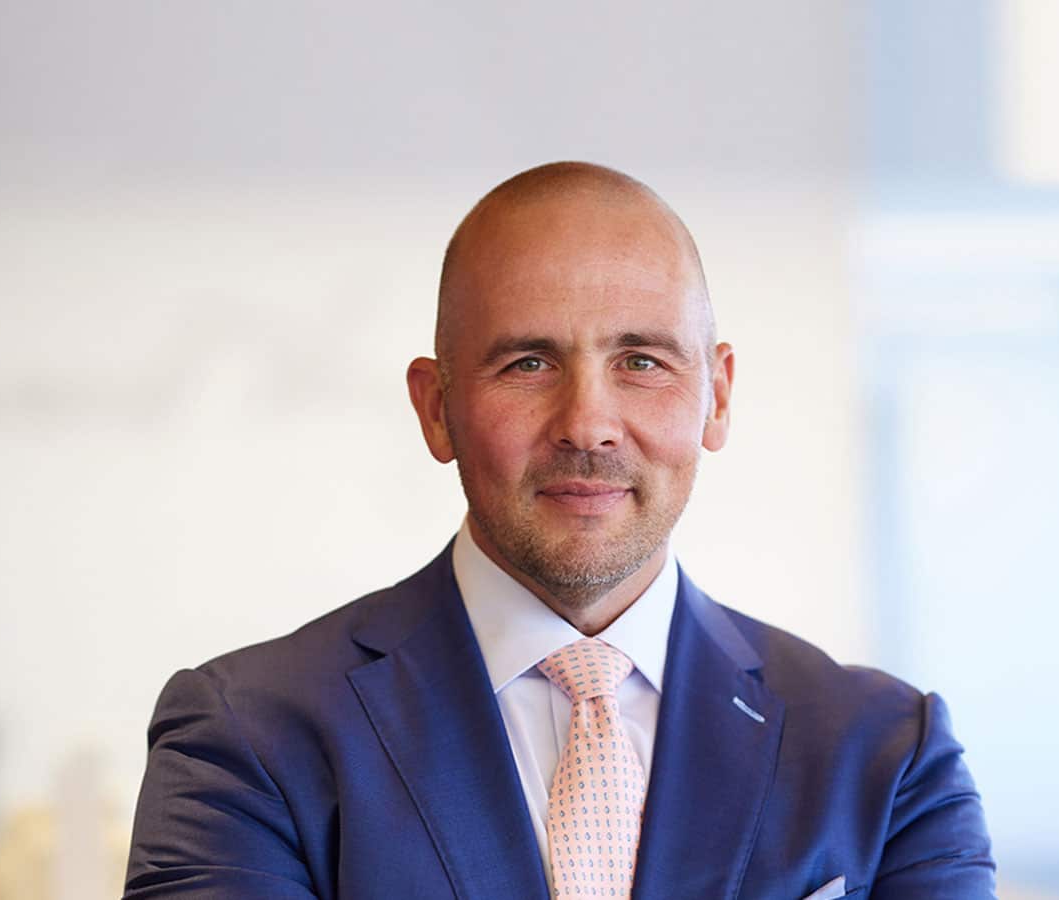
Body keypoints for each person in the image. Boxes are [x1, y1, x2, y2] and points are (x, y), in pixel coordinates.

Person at [123, 162, 996, 899]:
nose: (588, 423)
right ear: (436, 410)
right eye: (528, 363)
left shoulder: (886, 759)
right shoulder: (249, 740)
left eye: (642, 362)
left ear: (717, 398)